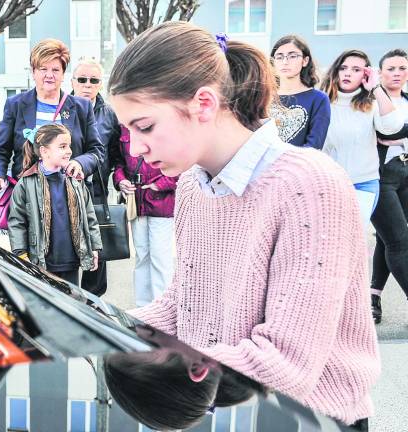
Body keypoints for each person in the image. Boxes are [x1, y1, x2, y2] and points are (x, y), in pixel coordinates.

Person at [109, 22, 379, 428]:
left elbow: (286, 361)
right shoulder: (192, 185)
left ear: (203, 103)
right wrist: (104, 329)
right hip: (229, 407)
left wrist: (175, 372)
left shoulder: (308, 183)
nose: (136, 146)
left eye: (144, 126)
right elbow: (184, 301)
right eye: (126, 130)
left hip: (309, 418)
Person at [0, 39, 104, 207]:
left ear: (63, 74)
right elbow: (0, 151)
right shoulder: (16, 105)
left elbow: (96, 151)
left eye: (56, 70)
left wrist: (80, 163)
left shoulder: (81, 107)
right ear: (34, 72)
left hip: (70, 197)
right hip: (28, 198)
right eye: (43, 69)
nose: (49, 75)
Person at [7, 123, 102, 287]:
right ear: (44, 151)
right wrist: (21, 254)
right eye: (62, 146)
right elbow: (17, 222)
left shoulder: (75, 180)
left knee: (72, 303)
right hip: (42, 261)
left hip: (72, 259)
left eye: (69, 146)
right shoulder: (25, 184)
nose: (69, 151)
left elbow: (89, 216)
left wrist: (94, 247)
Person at [320, 49, 403, 228]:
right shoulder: (321, 102)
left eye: (356, 70)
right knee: (329, 241)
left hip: (364, 184)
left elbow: (392, 126)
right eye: (344, 68)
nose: (348, 73)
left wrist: (376, 88)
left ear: (366, 75)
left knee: (353, 241)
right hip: (328, 183)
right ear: (336, 71)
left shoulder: (371, 104)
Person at [70, 57, 121, 296]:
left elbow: (116, 153)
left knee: (96, 252)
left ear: (101, 84)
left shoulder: (110, 114)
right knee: (66, 249)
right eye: (82, 79)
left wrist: (119, 178)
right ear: (72, 81)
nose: (87, 85)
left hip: (97, 190)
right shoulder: (61, 108)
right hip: (64, 190)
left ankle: (94, 303)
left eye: (93, 80)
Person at [114, 125, 177, 306]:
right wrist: (121, 180)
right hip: (137, 200)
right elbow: (118, 161)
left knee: (160, 259)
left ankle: (162, 309)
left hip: (162, 202)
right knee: (142, 256)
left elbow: (183, 162)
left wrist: (162, 184)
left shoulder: (166, 123)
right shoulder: (124, 127)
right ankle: (142, 309)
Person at [370, 49, 408, 324]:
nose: (397, 73)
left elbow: (395, 135)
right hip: (380, 175)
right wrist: (398, 135)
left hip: (405, 171)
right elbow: (386, 130)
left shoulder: (406, 100)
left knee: (387, 237)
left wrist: (400, 140)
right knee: (398, 240)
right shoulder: (371, 98)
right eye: (391, 68)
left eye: (402, 68)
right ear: (380, 71)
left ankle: (373, 296)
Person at [268, 35, 330, 149]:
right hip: (265, 165)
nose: (285, 62)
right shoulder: (265, 97)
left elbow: (314, 145)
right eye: (279, 57)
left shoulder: (318, 99)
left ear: (305, 61)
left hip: (300, 164)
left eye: (292, 56)